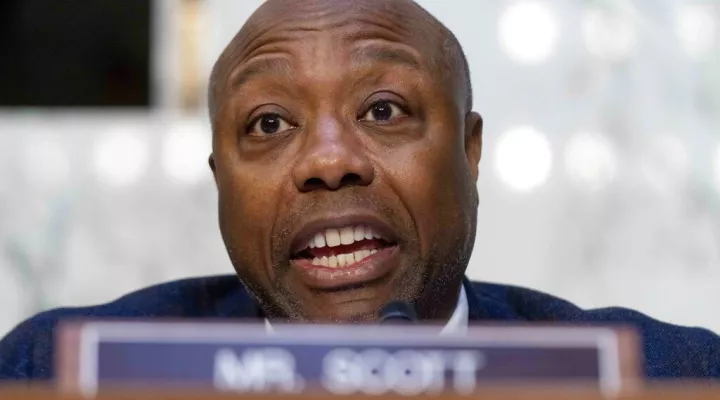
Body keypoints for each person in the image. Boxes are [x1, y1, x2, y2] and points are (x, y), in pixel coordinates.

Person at [1, 0, 718, 380]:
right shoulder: (56, 371)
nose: (329, 161)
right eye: (270, 122)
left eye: (383, 110)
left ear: (470, 154)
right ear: (221, 185)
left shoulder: (667, 376)